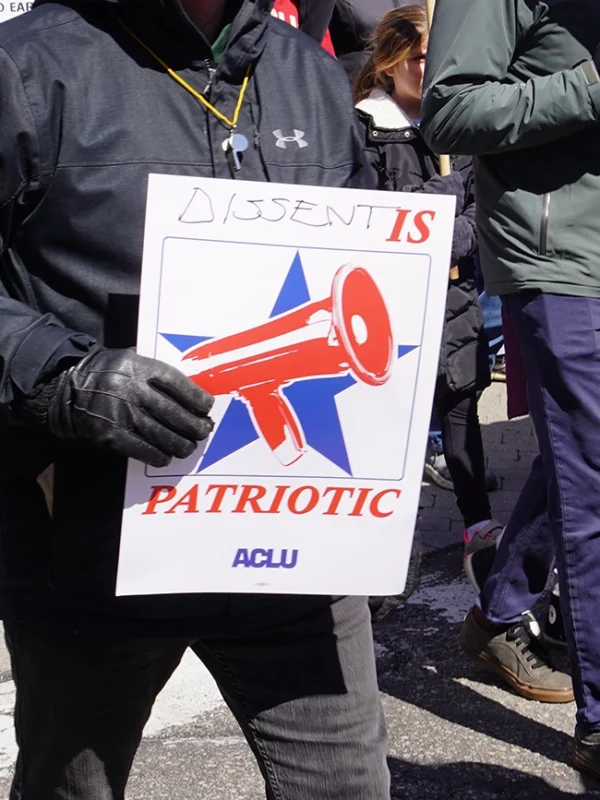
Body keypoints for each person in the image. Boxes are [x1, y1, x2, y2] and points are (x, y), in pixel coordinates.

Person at [0, 1, 391, 798]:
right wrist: (59, 376)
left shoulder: (311, 75)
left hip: (294, 555)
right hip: (90, 548)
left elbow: (370, 269)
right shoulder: (25, 67)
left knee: (347, 785)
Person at [421, 0, 600, 779]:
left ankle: (501, 608)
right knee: (593, 478)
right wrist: (588, 87)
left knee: (579, 457)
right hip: (561, 258)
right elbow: (449, 112)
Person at [353, 4, 501, 596]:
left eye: (436, 55)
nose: (429, 67)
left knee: (462, 414)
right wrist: (444, 204)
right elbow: (382, 225)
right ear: (389, 63)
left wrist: (447, 224)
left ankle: (479, 530)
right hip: (386, 308)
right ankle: (388, 544)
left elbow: (482, 209)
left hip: (455, 300)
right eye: (418, 56)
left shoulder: (457, 124)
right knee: (393, 428)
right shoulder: (362, 130)